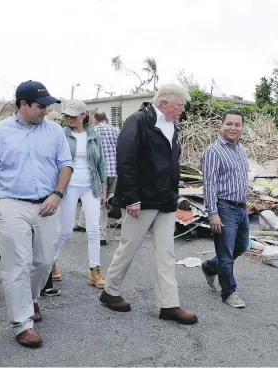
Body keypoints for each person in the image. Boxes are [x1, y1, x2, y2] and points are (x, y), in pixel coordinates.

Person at [100, 83, 198, 325]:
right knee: (129, 247)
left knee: (166, 253)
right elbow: (126, 160)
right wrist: (131, 197)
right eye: (180, 105)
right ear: (164, 102)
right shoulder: (138, 121)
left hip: (165, 200)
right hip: (141, 200)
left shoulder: (171, 126)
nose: (182, 109)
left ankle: (169, 305)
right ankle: (110, 292)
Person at [0, 80, 73, 348]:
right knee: (16, 263)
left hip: (48, 202)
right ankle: (22, 324)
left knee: (43, 262)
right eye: (41, 106)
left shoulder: (55, 132)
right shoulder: (1, 132)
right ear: (23, 105)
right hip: (11, 203)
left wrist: (58, 193)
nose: (45, 110)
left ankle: (31, 299)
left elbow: (65, 164)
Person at [52, 99, 107, 289]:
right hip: (69, 185)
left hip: (90, 185)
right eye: (67, 115)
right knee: (65, 228)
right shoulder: (61, 134)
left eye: (73, 115)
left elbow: (101, 164)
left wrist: (103, 190)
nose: (69, 118)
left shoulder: (94, 135)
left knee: (94, 229)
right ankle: (50, 262)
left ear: (84, 115)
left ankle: (94, 271)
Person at [201, 110, 250, 308]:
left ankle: (210, 266)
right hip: (224, 207)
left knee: (242, 246)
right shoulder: (213, 152)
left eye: (237, 125)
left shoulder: (241, 150)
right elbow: (209, 184)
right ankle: (229, 292)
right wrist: (213, 213)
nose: (233, 128)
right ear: (221, 126)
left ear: (242, 128)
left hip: (241, 207)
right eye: (229, 124)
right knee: (226, 253)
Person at [75, 111, 120, 246]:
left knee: (100, 203)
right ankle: (82, 223)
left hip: (99, 172)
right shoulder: (116, 130)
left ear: (95, 120)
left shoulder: (93, 131)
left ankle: (101, 235)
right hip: (114, 171)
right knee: (103, 199)